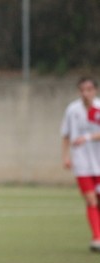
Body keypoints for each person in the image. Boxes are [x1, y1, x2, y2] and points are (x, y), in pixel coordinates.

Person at [61, 76, 100, 253]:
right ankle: (97, 238)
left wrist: (88, 137)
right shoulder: (72, 110)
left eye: (89, 89)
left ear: (95, 90)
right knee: (90, 198)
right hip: (82, 163)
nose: (85, 93)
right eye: (82, 90)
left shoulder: (99, 108)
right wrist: (65, 156)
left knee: (98, 200)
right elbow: (66, 134)